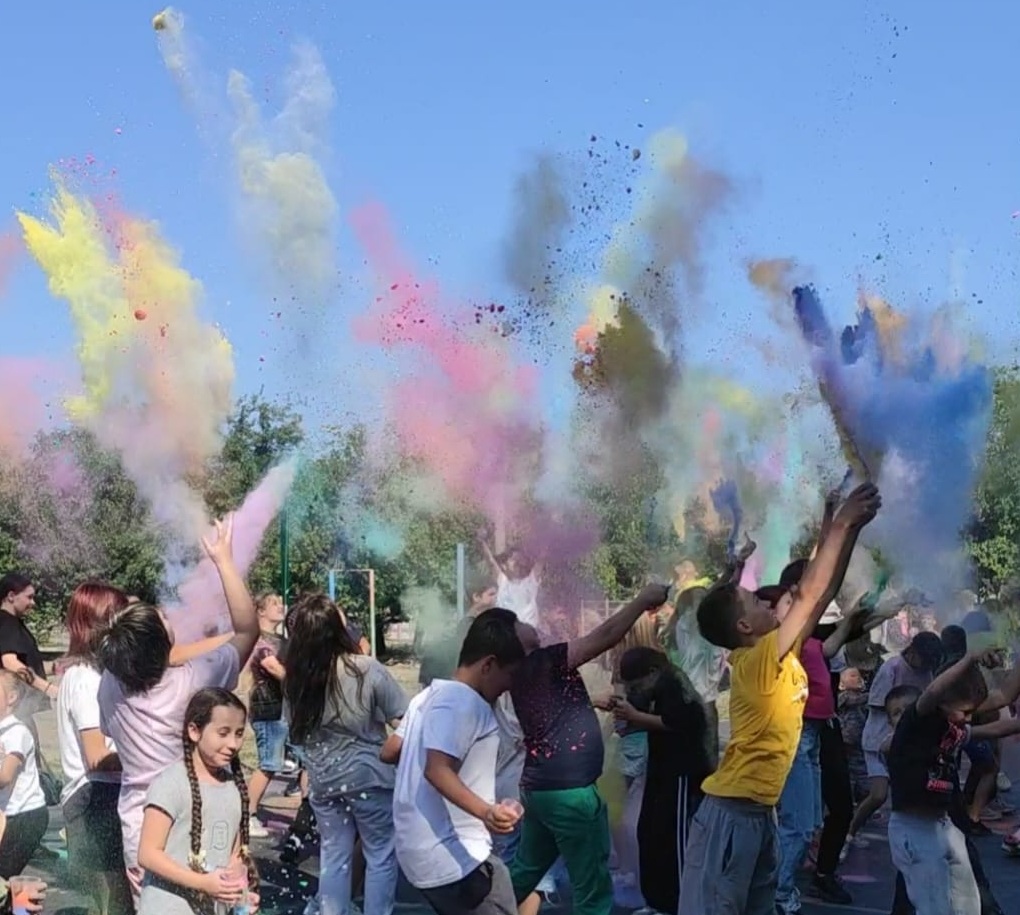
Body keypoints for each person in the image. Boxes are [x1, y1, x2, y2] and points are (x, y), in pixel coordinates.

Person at [676, 483, 881, 915]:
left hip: (758, 813)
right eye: (755, 602)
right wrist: (841, 523)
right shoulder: (757, 659)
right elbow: (808, 593)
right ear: (744, 628)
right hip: (731, 814)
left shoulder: (778, 655)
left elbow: (822, 592)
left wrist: (851, 530)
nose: (767, 604)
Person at [96, 515, 260, 885]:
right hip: (191, 817)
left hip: (141, 827)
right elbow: (248, 630)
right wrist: (224, 561)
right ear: (164, 644)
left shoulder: (110, 683)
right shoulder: (192, 681)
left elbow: (108, 726)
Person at [508, 582, 670, 915]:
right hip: (570, 794)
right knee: (592, 890)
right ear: (510, 641)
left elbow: (556, 707)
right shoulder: (544, 661)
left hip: (540, 790)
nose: (525, 621)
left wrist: (590, 700)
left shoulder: (523, 672)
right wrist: (642, 600)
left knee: (524, 873)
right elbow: (605, 636)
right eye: (516, 623)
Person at [390, 608, 525, 915]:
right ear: (488, 664)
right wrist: (487, 811)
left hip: (421, 854)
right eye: (510, 675)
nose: (510, 685)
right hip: (455, 857)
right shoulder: (464, 701)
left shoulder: (427, 697)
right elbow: (437, 769)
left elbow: (390, 751)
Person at [285, 594, 409, 915]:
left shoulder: (296, 680)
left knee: (334, 855)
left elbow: (294, 733)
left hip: (324, 780)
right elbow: (405, 718)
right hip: (370, 776)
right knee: (380, 854)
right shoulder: (365, 669)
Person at [886, 649, 1020, 915]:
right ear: (942, 704)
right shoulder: (915, 725)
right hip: (915, 829)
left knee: (969, 902)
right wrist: (969, 659)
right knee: (933, 906)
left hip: (944, 826)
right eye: (965, 711)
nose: (968, 718)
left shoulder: (950, 729)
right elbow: (934, 691)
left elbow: (994, 726)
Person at [136, 688, 259, 915]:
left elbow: (234, 857)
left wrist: (240, 895)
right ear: (194, 731)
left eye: (239, 733)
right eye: (223, 733)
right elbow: (148, 853)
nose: (233, 743)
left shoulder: (235, 788)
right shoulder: (170, 784)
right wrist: (202, 883)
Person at [609, 646, 711, 915]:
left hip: (681, 771)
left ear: (653, 671)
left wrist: (635, 717)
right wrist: (628, 716)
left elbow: (679, 723)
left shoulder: (674, 685)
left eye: (637, 684)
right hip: (659, 767)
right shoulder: (654, 687)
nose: (636, 690)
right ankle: (655, 901)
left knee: (672, 839)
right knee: (649, 832)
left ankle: (677, 903)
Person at [56, 582, 134, 915]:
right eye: (120, 616)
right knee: (114, 902)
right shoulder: (86, 679)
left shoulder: (96, 675)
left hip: (99, 798)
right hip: (95, 799)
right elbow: (97, 757)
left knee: (113, 900)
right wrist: (149, 756)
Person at [848, 630, 944, 847]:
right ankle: (849, 833)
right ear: (913, 652)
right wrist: (904, 718)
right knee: (878, 795)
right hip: (879, 738)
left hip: (908, 744)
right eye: (925, 660)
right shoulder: (891, 668)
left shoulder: (926, 672)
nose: (927, 665)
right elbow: (877, 704)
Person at [245, 592, 288, 839]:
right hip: (268, 708)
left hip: (285, 707)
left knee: (305, 760)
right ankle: (248, 815)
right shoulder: (259, 640)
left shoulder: (280, 639)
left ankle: (308, 814)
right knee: (269, 764)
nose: (280, 606)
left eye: (280, 602)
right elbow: (273, 667)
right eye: (274, 603)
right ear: (260, 611)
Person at [0, 671, 48, 879]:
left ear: (12, 697)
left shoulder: (16, 732)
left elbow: (5, 776)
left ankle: (21, 902)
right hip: (8, 816)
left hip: (25, 816)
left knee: (3, 877)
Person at [0, 573, 55, 722]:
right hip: (13, 710)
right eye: (29, 597)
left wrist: (54, 668)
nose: (33, 603)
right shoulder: (7, 623)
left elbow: (25, 662)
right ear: (11, 596)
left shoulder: (12, 623)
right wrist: (48, 688)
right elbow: (10, 662)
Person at [480, 536, 542, 628]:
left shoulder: (530, 582)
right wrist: (482, 542)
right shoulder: (503, 582)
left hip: (526, 632)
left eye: (519, 559)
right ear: (504, 565)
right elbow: (490, 561)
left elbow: (541, 561)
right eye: (513, 559)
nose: (517, 562)